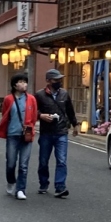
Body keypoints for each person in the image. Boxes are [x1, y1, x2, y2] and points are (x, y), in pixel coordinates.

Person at [0, 72, 37, 200]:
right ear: (14, 85)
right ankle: (11, 180)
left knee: (24, 164)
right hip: (12, 134)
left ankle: (21, 189)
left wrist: (29, 127)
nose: (24, 84)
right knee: (11, 162)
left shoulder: (31, 99)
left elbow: (34, 117)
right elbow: (5, 115)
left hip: (27, 134)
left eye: (25, 82)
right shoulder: (8, 99)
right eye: (21, 82)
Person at [35, 67, 78, 198]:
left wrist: (75, 125)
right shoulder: (39, 95)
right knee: (43, 160)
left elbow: (70, 110)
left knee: (62, 160)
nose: (59, 82)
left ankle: (60, 187)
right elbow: (33, 111)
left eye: (60, 79)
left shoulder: (64, 94)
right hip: (46, 132)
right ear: (48, 81)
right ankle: (43, 183)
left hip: (61, 131)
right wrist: (41, 115)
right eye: (56, 80)